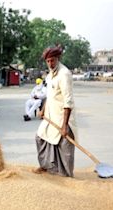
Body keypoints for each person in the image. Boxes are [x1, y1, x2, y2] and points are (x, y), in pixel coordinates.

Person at [33, 45, 77, 177]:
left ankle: (66, 175)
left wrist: (64, 126)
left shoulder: (64, 74)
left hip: (63, 117)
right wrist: (43, 110)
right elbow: (50, 95)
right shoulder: (50, 75)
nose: (50, 64)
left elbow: (68, 102)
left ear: (58, 58)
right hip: (50, 115)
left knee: (65, 147)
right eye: (48, 61)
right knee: (40, 138)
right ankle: (46, 167)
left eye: (52, 60)